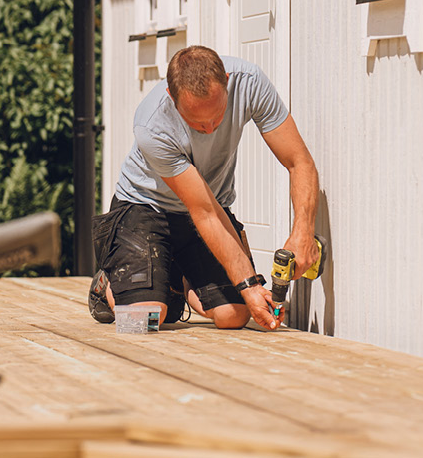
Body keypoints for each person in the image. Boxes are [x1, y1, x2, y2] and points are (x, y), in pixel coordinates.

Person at [89, 45, 319, 330]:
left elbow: (299, 162)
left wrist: (303, 233)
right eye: (196, 122)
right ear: (172, 96)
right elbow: (204, 212)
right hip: (144, 208)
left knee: (234, 316)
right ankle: (110, 282)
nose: (210, 128)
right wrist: (249, 286)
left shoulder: (249, 83)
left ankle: (178, 278)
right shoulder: (151, 124)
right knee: (141, 321)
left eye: (217, 115)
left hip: (209, 208)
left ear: (226, 81)